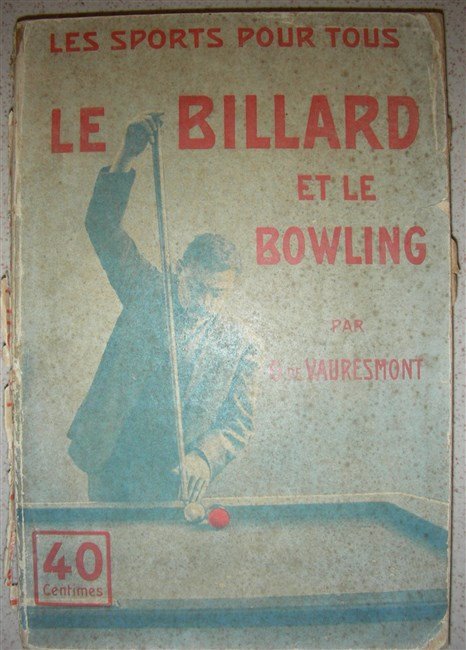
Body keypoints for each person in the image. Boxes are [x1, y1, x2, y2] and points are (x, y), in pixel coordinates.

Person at [68, 114, 259, 504]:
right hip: (113, 462)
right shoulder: (147, 290)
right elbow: (102, 226)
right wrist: (126, 155)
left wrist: (203, 458)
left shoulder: (240, 344)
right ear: (179, 268)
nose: (207, 303)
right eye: (199, 288)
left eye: (218, 294)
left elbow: (237, 423)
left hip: (174, 474)